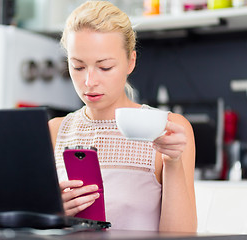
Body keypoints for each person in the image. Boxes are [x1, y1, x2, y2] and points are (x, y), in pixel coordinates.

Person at [48, 1, 197, 232]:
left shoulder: (168, 129)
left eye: (104, 67)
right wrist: (53, 214)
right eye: (78, 67)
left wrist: (173, 163)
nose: (89, 82)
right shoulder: (55, 131)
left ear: (131, 61)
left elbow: (181, 236)